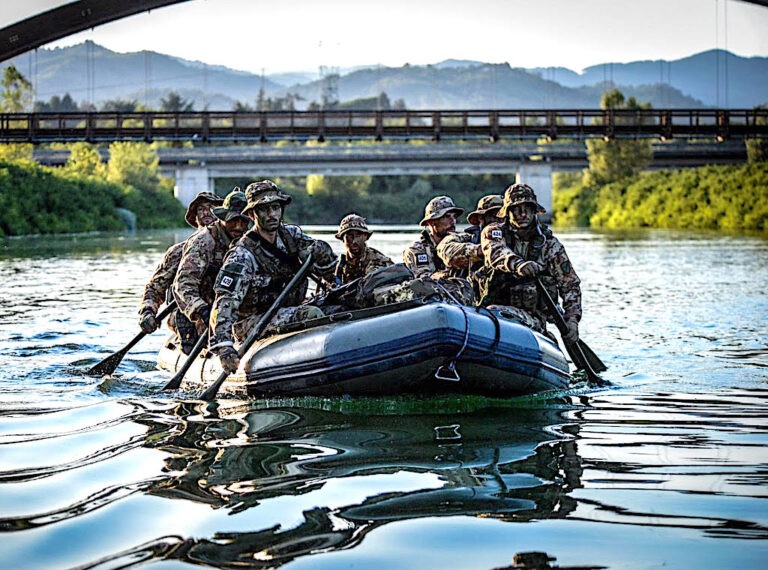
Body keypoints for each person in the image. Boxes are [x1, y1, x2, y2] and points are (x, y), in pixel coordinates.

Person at [209, 179, 337, 374]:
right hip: (252, 321)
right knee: (311, 315)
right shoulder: (243, 255)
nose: (272, 215)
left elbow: (328, 267)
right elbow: (225, 302)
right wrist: (225, 347)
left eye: (275, 208)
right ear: (252, 214)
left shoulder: (292, 236)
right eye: (264, 210)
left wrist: (323, 254)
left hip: (287, 308)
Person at [480, 183, 581, 342]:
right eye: (516, 208)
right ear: (508, 212)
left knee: (499, 313)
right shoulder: (494, 232)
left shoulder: (550, 245)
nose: (522, 213)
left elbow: (569, 284)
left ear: (534, 210)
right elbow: (496, 251)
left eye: (527, 208)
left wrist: (572, 319)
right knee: (494, 312)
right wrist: (518, 264)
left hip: (533, 317)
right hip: (494, 314)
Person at [137, 191, 223, 350]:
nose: (207, 213)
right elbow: (155, 286)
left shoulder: (235, 248)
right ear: (195, 218)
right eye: (201, 209)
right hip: (193, 319)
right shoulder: (179, 251)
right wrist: (148, 311)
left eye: (212, 208)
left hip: (224, 315)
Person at [173, 188, 251, 348]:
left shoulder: (251, 240)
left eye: (243, 222)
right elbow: (183, 284)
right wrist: (202, 311)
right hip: (204, 310)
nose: (238, 226)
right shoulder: (203, 242)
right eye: (233, 221)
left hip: (236, 307)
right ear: (223, 218)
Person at [403, 195, 480, 279]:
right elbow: (424, 280)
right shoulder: (417, 249)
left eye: (454, 216)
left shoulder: (461, 242)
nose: (453, 221)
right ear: (431, 222)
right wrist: (449, 272)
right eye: (447, 217)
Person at [437, 193, 502, 283]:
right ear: (480, 219)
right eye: (493, 216)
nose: (498, 222)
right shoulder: (468, 237)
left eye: (502, 217)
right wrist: (482, 250)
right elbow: (444, 248)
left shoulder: (516, 239)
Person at [333, 213, 393, 284]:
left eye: (358, 235)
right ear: (343, 239)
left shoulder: (379, 261)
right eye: (350, 236)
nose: (354, 241)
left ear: (365, 237)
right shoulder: (339, 265)